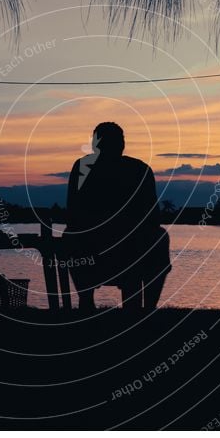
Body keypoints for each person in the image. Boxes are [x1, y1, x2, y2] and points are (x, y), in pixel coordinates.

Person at [64, 122, 171, 311]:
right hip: (106, 247)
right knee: (158, 237)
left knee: (71, 234)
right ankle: (145, 308)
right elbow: (153, 216)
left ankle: (88, 301)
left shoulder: (85, 167)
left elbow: (72, 213)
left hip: (113, 247)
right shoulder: (139, 169)